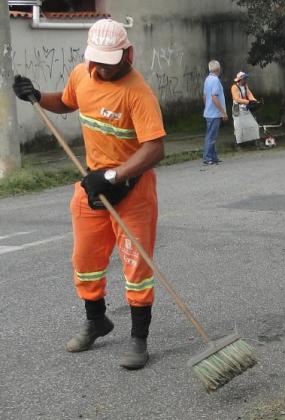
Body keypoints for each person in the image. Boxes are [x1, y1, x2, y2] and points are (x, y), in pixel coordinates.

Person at [12, 19, 165, 370]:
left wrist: (114, 176)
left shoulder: (138, 93)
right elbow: (67, 102)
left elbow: (155, 148)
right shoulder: (83, 74)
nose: (98, 68)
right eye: (94, 60)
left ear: (127, 55)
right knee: (85, 261)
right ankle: (96, 319)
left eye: (107, 62)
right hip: (91, 185)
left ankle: (139, 339)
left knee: (136, 267)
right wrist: (37, 96)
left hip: (132, 189)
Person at [202, 60, 228, 164]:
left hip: (208, 112)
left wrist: (206, 106)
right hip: (214, 113)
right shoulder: (215, 80)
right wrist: (223, 112)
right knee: (211, 136)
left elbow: (204, 96)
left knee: (211, 135)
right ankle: (208, 157)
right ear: (218, 69)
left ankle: (213, 157)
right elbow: (214, 97)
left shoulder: (207, 79)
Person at [230, 71, 261, 145]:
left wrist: (254, 101)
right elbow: (237, 99)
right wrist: (248, 102)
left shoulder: (245, 86)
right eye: (244, 79)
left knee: (253, 125)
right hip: (237, 108)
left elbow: (249, 94)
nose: (246, 80)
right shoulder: (234, 87)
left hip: (245, 108)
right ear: (240, 80)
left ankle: (255, 141)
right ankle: (238, 143)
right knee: (239, 127)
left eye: (246, 79)